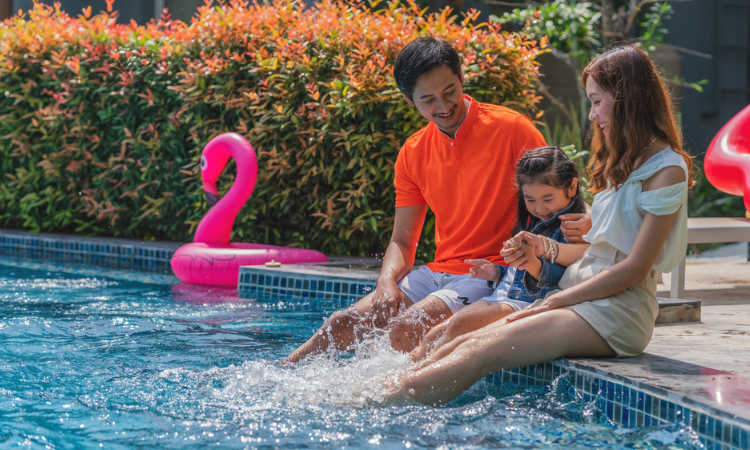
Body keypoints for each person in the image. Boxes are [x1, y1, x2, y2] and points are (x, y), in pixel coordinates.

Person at [387, 45, 695, 406]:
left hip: (617, 311)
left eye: (597, 101)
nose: (593, 115)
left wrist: (554, 301)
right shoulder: (624, 160)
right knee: (458, 340)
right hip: (582, 294)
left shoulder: (666, 168)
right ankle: (385, 391)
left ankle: (377, 409)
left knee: (479, 352)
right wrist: (587, 223)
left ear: (628, 99)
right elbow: (618, 223)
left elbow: (635, 268)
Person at [287, 37, 590, 363]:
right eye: (429, 99)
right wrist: (386, 281)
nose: (444, 106)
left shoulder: (513, 129)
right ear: (409, 100)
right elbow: (403, 242)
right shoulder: (412, 153)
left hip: (491, 272)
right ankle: (281, 377)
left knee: (405, 328)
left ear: (461, 79)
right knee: (341, 323)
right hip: (436, 272)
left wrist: (589, 221)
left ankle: (378, 401)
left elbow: (556, 191)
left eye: (450, 92)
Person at [409, 146, 587, 361]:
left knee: (457, 326)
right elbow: (518, 276)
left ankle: (421, 372)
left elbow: (562, 279)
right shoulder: (536, 224)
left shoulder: (571, 228)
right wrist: (496, 273)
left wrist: (531, 262)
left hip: (524, 304)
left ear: (572, 186)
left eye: (547, 199)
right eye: (530, 200)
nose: (539, 208)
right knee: (435, 332)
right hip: (502, 296)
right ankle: (406, 370)